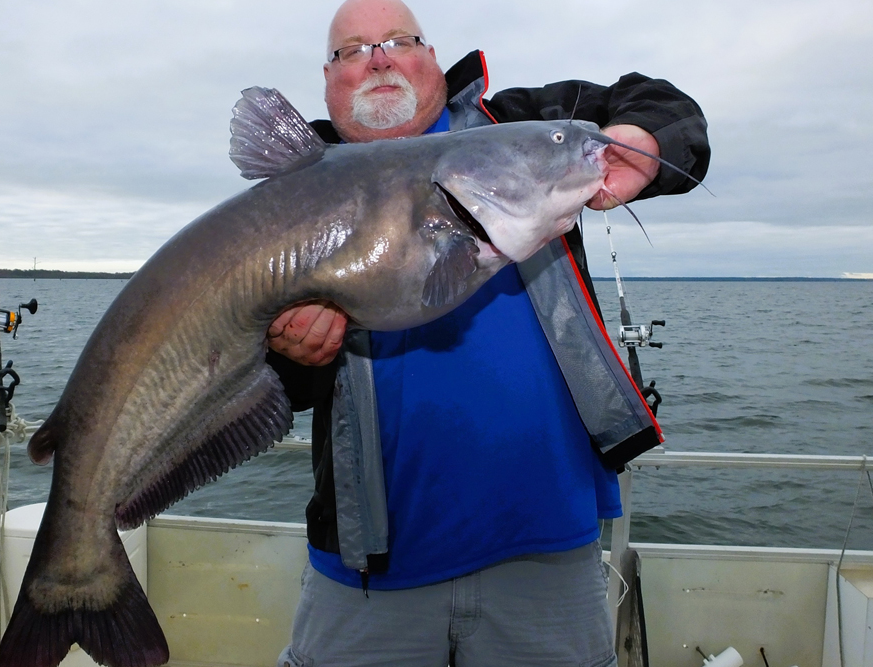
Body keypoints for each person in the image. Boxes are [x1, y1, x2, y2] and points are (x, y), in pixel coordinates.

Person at [268, 1, 710, 666]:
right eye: (352, 51)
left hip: (550, 557)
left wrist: (640, 145)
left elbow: (660, 105)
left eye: (398, 40)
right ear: (327, 83)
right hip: (369, 576)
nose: (379, 58)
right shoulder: (291, 201)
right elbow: (274, 390)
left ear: (434, 61)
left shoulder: (523, 129)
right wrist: (292, 352)